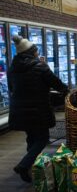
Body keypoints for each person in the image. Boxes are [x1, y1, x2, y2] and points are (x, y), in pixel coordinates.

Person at [8, 36, 68, 182]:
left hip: (19, 110)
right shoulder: (40, 66)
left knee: (31, 137)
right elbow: (57, 83)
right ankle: (24, 165)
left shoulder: (12, 68)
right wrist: (65, 91)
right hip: (38, 110)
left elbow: (11, 88)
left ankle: (31, 166)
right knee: (42, 139)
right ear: (32, 52)